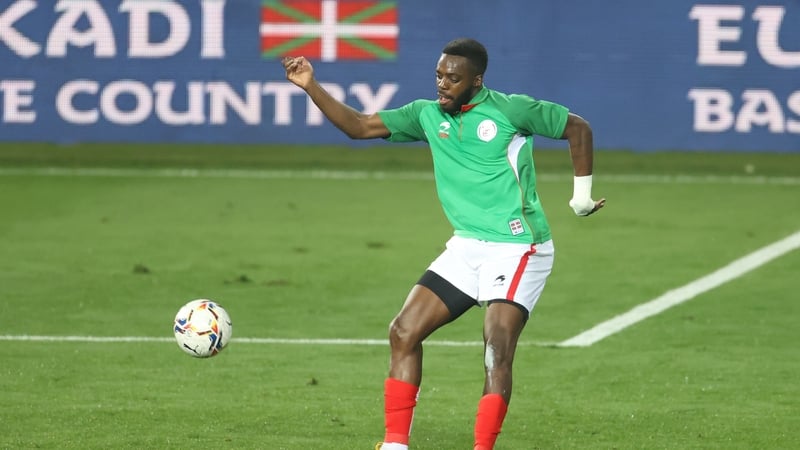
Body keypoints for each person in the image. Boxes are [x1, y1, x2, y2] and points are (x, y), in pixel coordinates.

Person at [282, 37, 605, 450]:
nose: (443, 85)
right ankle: (396, 445)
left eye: (453, 78)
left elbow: (578, 127)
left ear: (476, 81)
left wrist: (581, 196)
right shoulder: (426, 115)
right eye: (439, 76)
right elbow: (359, 127)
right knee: (403, 332)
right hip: (468, 246)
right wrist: (311, 85)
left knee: (496, 347)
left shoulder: (511, 110)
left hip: (518, 246)